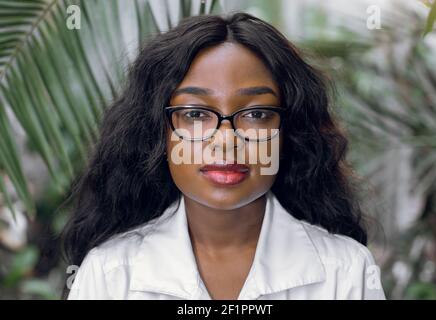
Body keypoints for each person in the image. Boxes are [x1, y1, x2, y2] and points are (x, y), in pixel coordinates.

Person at [62, 12, 386, 300]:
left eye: (257, 114)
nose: (226, 141)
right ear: (158, 133)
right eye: (195, 114)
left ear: (290, 131)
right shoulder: (110, 274)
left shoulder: (346, 272)